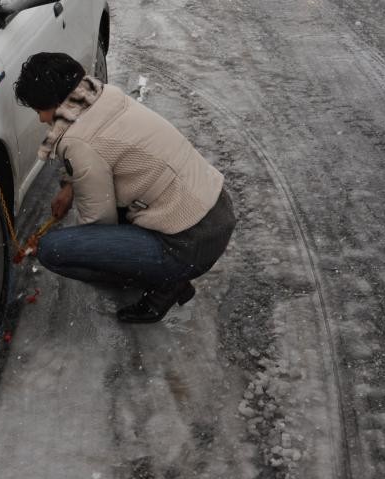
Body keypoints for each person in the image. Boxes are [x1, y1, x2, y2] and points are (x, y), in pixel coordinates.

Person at [14, 53, 237, 323]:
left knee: (55, 250)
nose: (40, 119)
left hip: (188, 243)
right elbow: (105, 149)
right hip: (215, 211)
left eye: (39, 110)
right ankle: (163, 270)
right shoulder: (105, 98)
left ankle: (166, 281)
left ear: (55, 102)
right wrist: (70, 185)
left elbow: (98, 222)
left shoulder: (77, 141)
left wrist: (49, 244)